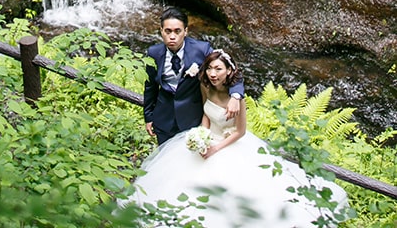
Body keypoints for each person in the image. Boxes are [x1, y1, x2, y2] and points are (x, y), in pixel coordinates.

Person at [132, 50, 351, 227]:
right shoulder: (206, 87)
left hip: (229, 143)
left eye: (218, 69)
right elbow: (206, 116)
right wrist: (202, 136)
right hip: (209, 140)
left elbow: (240, 132)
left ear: (229, 71)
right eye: (209, 68)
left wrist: (215, 148)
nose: (212, 73)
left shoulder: (237, 98)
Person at [143, 6, 244, 145]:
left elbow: (229, 69)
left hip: (192, 117)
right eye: (168, 31)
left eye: (177, 31)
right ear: (161, 31)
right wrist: (148, 117)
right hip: (163, 118)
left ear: (185, 31)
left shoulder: (201, 50)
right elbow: (150, 86)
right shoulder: (153, 53)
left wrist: (235, 96)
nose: (172, 36)